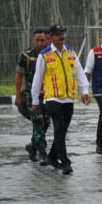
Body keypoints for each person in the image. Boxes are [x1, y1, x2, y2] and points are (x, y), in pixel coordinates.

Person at [31, 24, 90, 175]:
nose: (61, 36)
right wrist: (35, 100)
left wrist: (84, 90)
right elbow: (37, 79)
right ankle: (65, 162)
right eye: (57, 34)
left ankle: (51, 156)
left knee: (62, 130)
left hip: (69, 98)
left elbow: (79, 72)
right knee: (59, 127)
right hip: (52, 98)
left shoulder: (71, 52)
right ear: (50, 37)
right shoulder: (44, 55)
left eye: (62, 33)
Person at [15, 29, 50, 165]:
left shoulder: (50, 54)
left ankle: (32, 147)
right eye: (38, 40)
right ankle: (42, 153)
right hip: (31, 94)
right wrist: (18, 96)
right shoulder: (26, 56)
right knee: (38, 120)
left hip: (47, 94)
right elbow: (18, 76)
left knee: (46, 122)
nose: (40, 43)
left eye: (43, 40)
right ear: (32, 40)